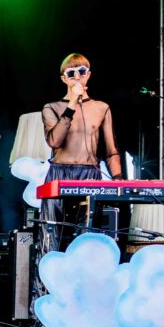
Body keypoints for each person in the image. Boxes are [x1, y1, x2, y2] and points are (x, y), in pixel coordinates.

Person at [40, 53, 122, 255]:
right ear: (64, 78)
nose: (77, 76)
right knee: (51, 235)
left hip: (89, 174)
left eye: (82, 71)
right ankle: (47, 275)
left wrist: (119, 181)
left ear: (89, 75)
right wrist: (71, 105)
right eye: (71, 73)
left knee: (87, 237)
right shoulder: (51, 107)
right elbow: (54, 141)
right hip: (59, 173)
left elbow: (111, 151)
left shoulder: (102, 108)